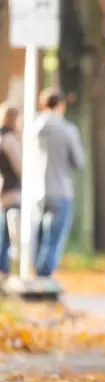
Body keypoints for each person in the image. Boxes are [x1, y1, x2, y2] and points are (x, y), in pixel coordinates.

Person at [32, 88, 85, 277]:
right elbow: (79, 162)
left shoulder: (33, 128)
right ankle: (44, 279)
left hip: (36, 191)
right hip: (61, 190)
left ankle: (36, 275)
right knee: (53, 240)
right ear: (60, 105)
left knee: (38, 239)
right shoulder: (67, 130)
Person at [0, 103, 22, 276]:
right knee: (8, 239)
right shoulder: (8, 139)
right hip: (11, 193)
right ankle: (4, 273)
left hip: (3, 191)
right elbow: (20, 167)